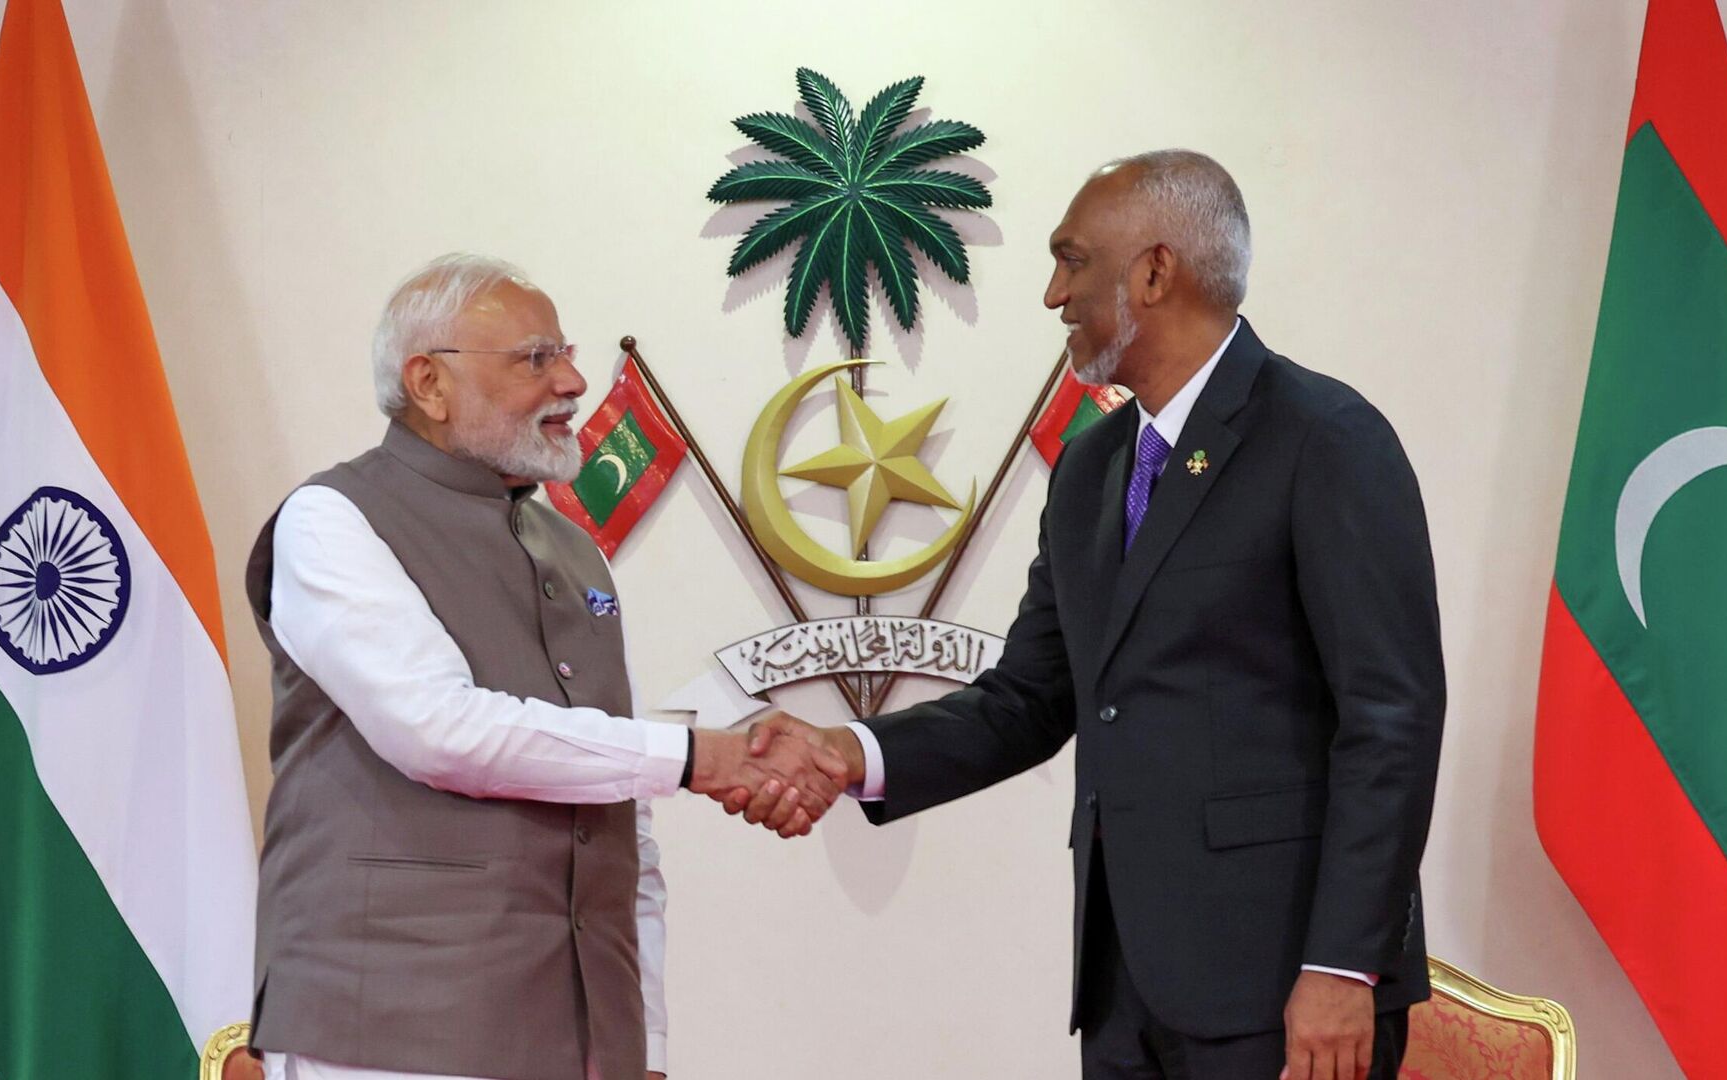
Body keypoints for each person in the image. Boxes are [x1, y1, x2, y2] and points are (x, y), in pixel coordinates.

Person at [746, 151, 1446, 1079]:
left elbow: (1392, 717)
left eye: (1072, 261)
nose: (1053, 294)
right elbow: (1029, 699)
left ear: (1155, 272)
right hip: (1124, 990)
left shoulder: (1323, 436)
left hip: (1284, 989)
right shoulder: (1090, 469)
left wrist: (1343, 965)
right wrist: (851, 753)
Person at [244, 254, 846, 1080]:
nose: (572, 383)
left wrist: (645, 1041)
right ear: (428, 382)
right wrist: (699, 756)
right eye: (536, 358)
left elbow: (625, 817)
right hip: (392, 1031)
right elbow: (437, 730)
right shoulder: (331, 520)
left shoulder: (570, 547)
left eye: (565, 354)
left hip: (586, 1039)